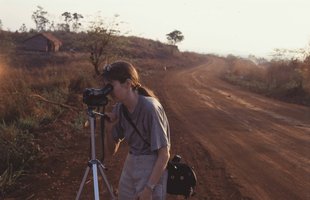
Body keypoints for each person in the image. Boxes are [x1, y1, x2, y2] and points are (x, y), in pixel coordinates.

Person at [102, 61, 170, 200]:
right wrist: (109, 130)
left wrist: (149, 189)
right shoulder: (120, 108)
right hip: (131, 161)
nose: (108, 90)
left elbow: (164, 155)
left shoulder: (150, 109)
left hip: (151, 165)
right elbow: (112, 151)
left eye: (111, 86)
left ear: (127, 84)